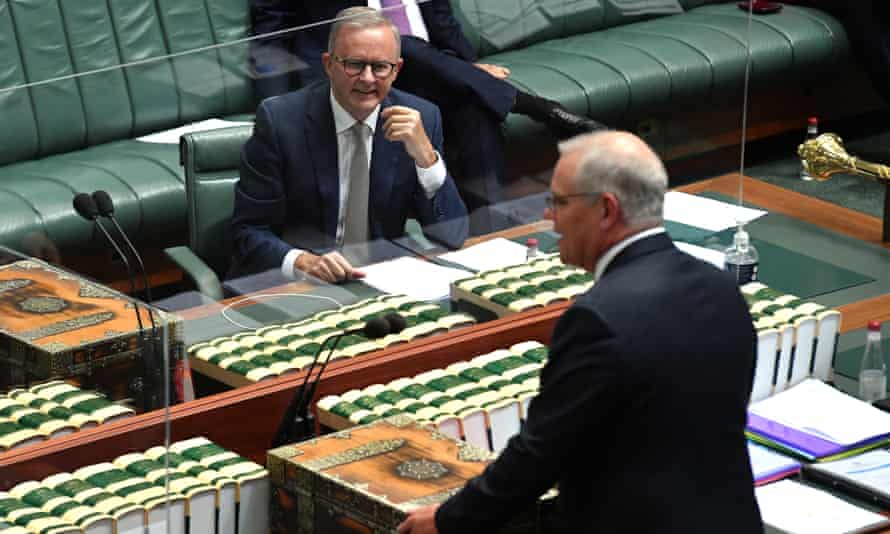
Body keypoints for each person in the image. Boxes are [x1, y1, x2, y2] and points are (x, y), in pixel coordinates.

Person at [398, 131, 762, 534]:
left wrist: (448, 520)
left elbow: (540, 453)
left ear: (606, 210)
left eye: (558, 202)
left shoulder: (598, 319)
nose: (549, 217)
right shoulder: (720, 286)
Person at [250, 0, 605, 217]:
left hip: (428, 66)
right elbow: (269, 29)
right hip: (357, 68)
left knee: (474, 107)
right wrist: (274, 99)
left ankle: (489, 232)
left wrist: (468, 67)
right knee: (395, 41)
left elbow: (438, 12)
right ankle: (535, 107)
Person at [231, 7, 468, 282]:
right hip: (298, 288)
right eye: (355, 65)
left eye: (380, 67)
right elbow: (248, 234)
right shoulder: (281, 121)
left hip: (378, 281)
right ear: (329, 64)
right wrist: (303, 262)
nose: (367, 78)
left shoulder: (421, 119)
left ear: (396, 70)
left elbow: (453, 236)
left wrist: (427, 159)